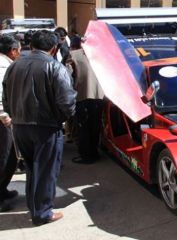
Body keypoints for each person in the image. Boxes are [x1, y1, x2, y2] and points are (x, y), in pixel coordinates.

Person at [2, 30, 76, 225]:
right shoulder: (55, 67)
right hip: (46, 127)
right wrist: (60, 119)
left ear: (31, 46)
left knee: (32, 168)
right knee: (46, 170)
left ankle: (35, 207)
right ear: (53, 49)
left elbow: (6, 98)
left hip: (20, 126)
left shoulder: (14, 66)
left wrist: (14, 115)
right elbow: (67, 102)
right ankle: (42, 213)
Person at [66, 37, 105, 164]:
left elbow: (67, 77)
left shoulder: (73, 55)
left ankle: (86, 156)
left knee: (82, 128)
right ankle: (94, 152)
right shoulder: (101, 54)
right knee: (95, 125)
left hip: (81, 96)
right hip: (99, 96)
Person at [0, 34, 21, 212]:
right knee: (4, 156)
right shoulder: (2, 66)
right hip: (3, 121)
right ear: (12, 51)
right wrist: (4, 114)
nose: (20, 53)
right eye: (19, 50)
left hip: (6, 118)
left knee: (10, 156)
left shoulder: (6, 63)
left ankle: (3, 190)